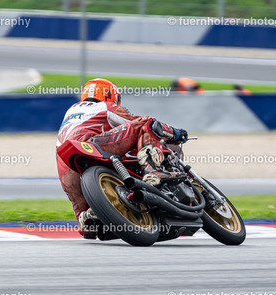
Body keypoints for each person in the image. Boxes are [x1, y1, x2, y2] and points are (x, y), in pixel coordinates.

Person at [56, 78, 188, 238]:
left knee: (88, 228)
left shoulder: (71, 112)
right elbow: (135, 122)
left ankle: (87, 219)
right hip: (90, 144)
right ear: (109, 94)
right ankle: (152, 171)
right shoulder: (104, 106)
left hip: (66, 166)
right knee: (147, 123)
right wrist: (175, 133)